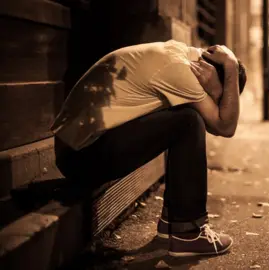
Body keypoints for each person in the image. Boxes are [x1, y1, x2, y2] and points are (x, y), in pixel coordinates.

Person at [51, 40, 247, 257]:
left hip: (78, 150)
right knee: (188, 122)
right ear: (209, 70)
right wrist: (230, 65)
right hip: (81, 158)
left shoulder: (175, 56)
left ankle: (173, 222)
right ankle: (188, 233)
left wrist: (224, 77)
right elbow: (225, 126)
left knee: (185, 118)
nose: (215, 103)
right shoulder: (179, 71)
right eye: (217, 98)